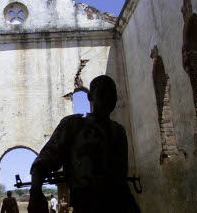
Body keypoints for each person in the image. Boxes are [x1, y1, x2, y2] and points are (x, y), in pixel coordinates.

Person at [28, 75, 140, 213]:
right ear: (90, 97)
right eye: (102, 93)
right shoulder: (73, 125)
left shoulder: (118, 132)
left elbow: (120, 179)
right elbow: (44, 161)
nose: (108, 97)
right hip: (85, 206)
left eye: (112, 93)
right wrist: (35, 191)